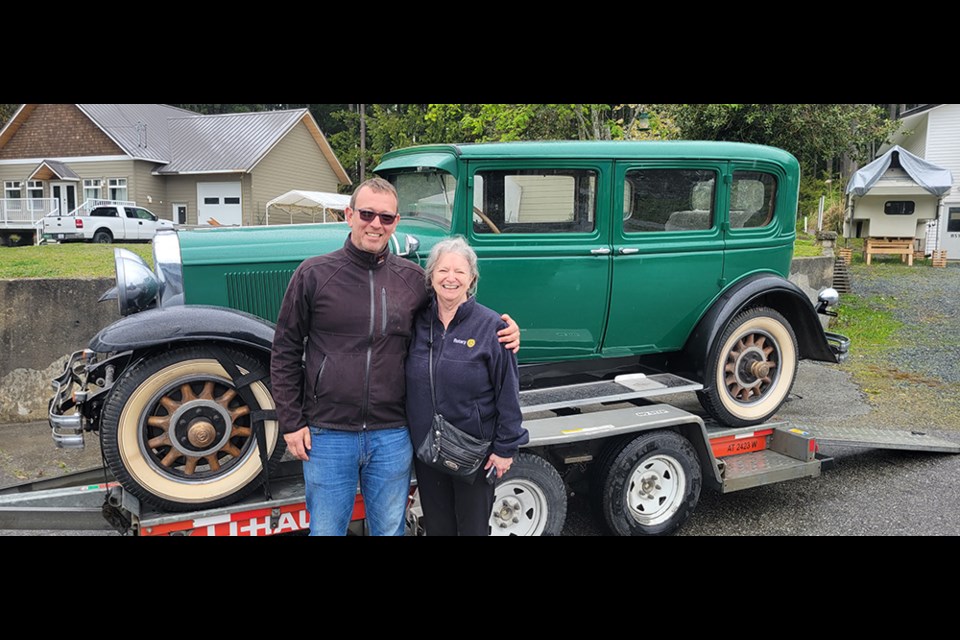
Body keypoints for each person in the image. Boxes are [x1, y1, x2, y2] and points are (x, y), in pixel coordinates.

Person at [270, 177, 520, 536]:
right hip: (328, 432)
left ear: (396, 222)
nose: (376, 224)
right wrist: (291, 422)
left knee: (390, 530)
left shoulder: (412, 279)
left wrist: (504, 330)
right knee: (326, 530)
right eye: (367, 214)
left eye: (386, 217)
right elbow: (286, 349)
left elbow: (455, 315)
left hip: (392, 434)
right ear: (349, 215)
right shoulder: (314, 274)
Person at [406, 236, 530, 536]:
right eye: (443, 270)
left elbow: (508, 393)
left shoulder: (493, 328)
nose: (451, 278)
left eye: (459, 272)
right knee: (438, 528)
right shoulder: (415, 322)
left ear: (471, 278)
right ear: (431, 276)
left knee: (473, 530)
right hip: (428, 451)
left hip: (474, 452)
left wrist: (505, 448)